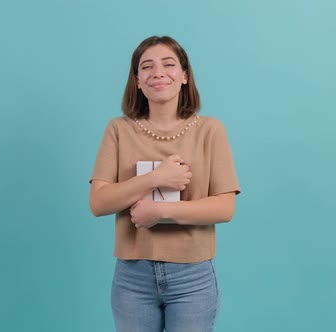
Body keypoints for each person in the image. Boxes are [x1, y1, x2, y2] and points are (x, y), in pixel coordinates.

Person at [89, 35, 241, 332]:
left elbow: (225, 207)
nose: (158, 72)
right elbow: (98, 202)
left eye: (169, 64)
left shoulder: (210, 130)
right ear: (137, 81)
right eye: (147, 66)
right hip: (132, 276)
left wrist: (160, 213)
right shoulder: (118, 130)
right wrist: (155, 179)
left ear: (185, 75)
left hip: (193, 276)